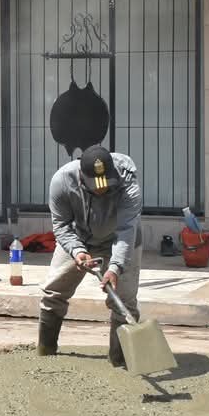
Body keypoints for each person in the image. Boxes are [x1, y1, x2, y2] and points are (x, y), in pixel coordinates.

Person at [38, 144, 143, 367]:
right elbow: (61, 225)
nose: (101, 190)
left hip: (120, 240)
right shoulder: (62, 181)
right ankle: (45, 351)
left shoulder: (127, 181)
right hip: (79, 238)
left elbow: (127, 228)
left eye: (106, 185)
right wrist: (77, 251)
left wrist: (115, 267)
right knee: (53, 292)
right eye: (95, 186)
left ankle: (120, 361)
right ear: (81, 176)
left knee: (124, 302)